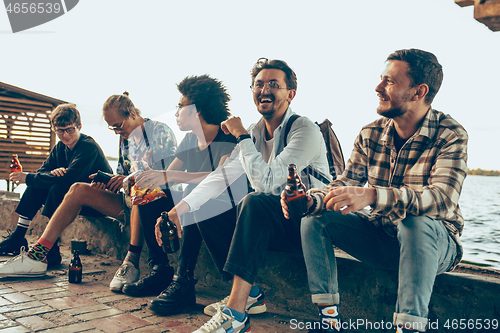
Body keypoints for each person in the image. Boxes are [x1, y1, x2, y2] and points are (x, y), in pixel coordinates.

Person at [282, 49, 468, 333]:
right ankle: (328, 319)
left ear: (419, 91)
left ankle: (408, 327)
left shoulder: (450, 134)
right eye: (382, 79)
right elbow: (345, 184)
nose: (378, 87)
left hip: (433, 247)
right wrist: (309, 200)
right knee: (315, 218)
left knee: (414, 222)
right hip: (382, 238)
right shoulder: (370, 133)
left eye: (390, 82)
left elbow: (441, 201)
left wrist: (373, 195)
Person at [160, 58, 331, 333]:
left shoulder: (304, 130)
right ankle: (250, 295)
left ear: (291, 94)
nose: (264, 90)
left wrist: (240, 136)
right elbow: (222, 177)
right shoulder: (255, 132)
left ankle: (235, 315)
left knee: (254, 201)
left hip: (310, 223)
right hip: (275, 222)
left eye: (274, 84)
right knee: (207, 205)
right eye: (259, 84)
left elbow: (266, 182)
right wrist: (179, 209)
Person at [0, 93, 178, 283]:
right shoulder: (125, 137)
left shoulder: (160, 131)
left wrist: (126, 179)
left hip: (153, 203)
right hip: (127, 200)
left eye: (118, 126)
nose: (117, 132)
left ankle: (131, 261)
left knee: (138, 192)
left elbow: (166, 177)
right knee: (78, 188)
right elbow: (122, 174)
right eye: (112, 128)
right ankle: (38, 254)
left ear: (132, 114)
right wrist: (109, 180)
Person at [124, 75, 239, 315]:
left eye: (180, 106)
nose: (176, 112)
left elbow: (219, 180)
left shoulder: (228, 136)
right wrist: (146, 180)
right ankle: (160, 270)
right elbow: (169, 174)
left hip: (227, 213)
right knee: (151, 195)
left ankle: (183, 281)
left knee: (192, 190)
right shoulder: (189, 139)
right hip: (197, 207)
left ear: (196, 111)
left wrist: (169, 177)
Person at [0, 103, 112, 267]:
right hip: (72, 201)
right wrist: (50, 173)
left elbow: (68, 180)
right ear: (54, 129)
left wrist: (30, 177)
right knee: (35, 186)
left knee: (56, 187)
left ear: (79, 126)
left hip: (97, 203)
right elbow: (42, 171)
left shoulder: (88, 147)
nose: (65, 135)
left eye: (70, 129)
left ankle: (50, 249)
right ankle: (18, 238)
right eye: (60, 130)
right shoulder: (60, 147)